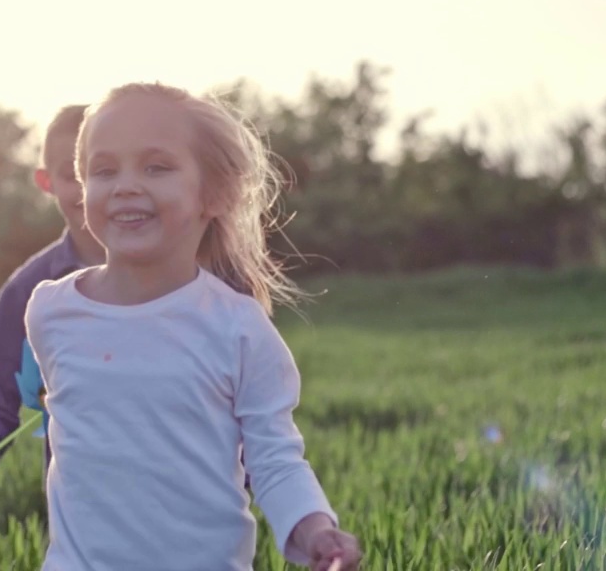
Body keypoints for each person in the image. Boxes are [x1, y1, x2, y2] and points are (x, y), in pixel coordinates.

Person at [24, 83, 362, 571]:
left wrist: (315, 530)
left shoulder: (237, 327)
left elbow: (273, 458)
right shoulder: (51, 312)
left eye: (156, 167)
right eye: (103, 170)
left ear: (215, 194)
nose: (125, 185)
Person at [0, 104, 105, 489]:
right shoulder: (31, 289)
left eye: (100, 171)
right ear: (46, 181)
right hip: (77, 497)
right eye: (72, 175)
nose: (87, 188)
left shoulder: (177, 275)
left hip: (178, 496)